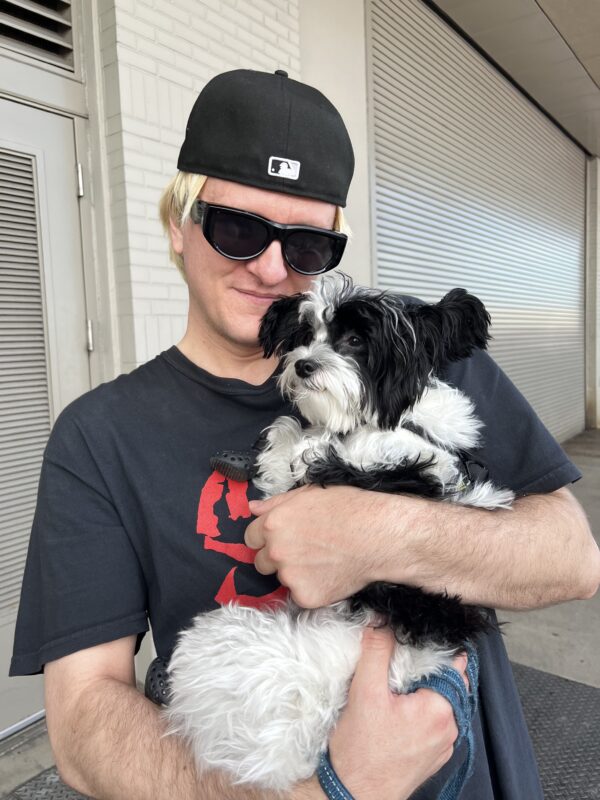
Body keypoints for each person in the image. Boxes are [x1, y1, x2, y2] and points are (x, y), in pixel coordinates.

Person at [9, 69, 599, 800]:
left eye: (306, 246)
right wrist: (325, 792)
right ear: (177, 221)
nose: (268, 267)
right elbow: (83, 722)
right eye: (236, 230)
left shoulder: (413, 352)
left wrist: (378, 533)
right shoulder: (99, 437)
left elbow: (572, 559)